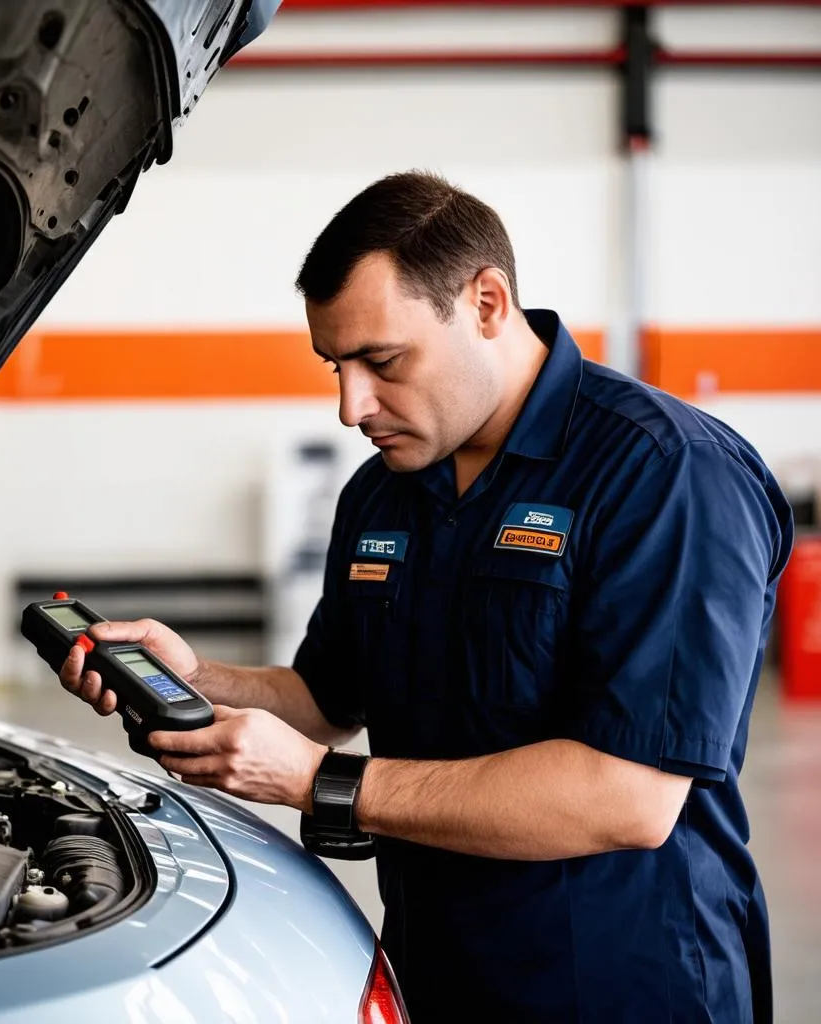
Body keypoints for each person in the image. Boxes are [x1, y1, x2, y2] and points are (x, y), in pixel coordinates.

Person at [60, 171, 793, 1023]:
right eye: (335, 366)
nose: (350, 406)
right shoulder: (384, 493)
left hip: (624, 983)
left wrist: (324, 784)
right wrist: (197, 679)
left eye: (382, 361)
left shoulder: (666, 474)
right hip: (435, 972)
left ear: (486, 303)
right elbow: (332, 698)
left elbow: (627, 796)